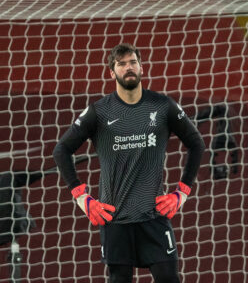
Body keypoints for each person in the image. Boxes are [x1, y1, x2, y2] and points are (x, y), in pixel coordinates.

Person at [53, 43, 205, 283]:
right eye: (121, 64)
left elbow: (197, 143)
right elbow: (61, 150)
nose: (129, 67)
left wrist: (182, 192)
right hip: (115, 220)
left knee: (169, 278)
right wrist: (82, 197)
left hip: (154, 217)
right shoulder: (99, 111)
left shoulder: (162, 106)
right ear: (112, 73)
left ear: (142, 68)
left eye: (133, 62)